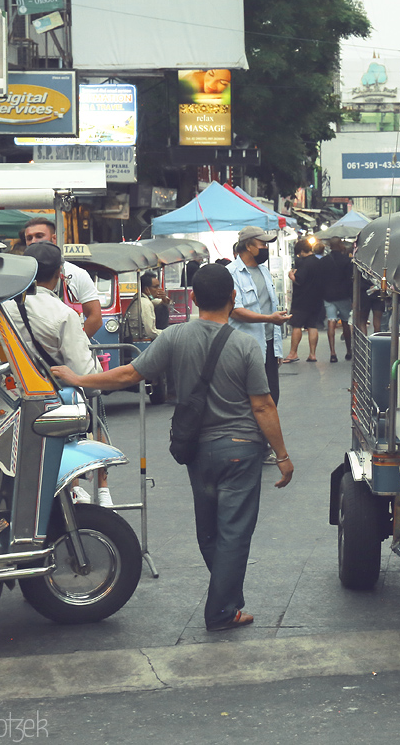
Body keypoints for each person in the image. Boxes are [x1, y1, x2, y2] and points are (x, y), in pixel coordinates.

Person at [52, 264, 293, 633]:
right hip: (241, 450)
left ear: (193, 298)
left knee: (209, 533)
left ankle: (226, 600)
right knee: (234, 533)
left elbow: (128, 375)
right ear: (233, 298)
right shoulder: (245, 344)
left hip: (198, 450)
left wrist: (78, 378)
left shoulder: (174, 337)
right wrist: (282, 456)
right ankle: (222, 611)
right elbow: (262, 405)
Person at [3, 242, 111, 506]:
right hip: (55, 404)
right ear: (60, 273)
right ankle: (98, 492)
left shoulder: (2, 307)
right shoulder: (63, 314)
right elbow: (84, 374)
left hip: (10, 401)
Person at [229, 226, 290, 406]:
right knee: (251, 399)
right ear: (248, 246)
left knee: (271, 397)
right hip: (246, 346)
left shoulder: (264, 271)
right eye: (262, 244)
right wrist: (270, 319)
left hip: (268, 344)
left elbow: (269, 306)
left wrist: (277, 349)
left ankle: (263, 434)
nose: (266, 248)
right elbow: (235, 311)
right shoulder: (231, 273)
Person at [22, 217, 103, 338]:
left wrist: (74, 343)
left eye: (39, 236)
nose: (33, 241)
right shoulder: (20, 275)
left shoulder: (77, 274)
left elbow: (95, 318)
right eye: (29, 238)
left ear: (54, 238)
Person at [286, 238, 325, 363]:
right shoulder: (319, 262)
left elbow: (299, 280)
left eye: (299, 253)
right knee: (312, 326)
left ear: (302, 251)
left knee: (296, 325)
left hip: (302, 300)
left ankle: (293, 353)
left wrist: (291, 276)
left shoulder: (305, 263)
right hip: (316, 299)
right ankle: (312, 354)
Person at [321, 238, 354, 363]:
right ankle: (348, 350)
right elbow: (350, 280)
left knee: (331, 322)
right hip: (343, 296)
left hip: (328, 296)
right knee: (345, 323)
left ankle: (333, 353)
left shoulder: (323, 261)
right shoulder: (347, 261)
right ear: (340, 245)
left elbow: (320, 280)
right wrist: (352, 297)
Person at [125, 271, 169, 342]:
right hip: (139, 340)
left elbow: (163, 303)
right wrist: (168, 333)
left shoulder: (139, 299)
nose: (159, 289)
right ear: (146, 289)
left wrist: (164, 298)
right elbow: (150, 332)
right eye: (155, 287)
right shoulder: (145, 304)